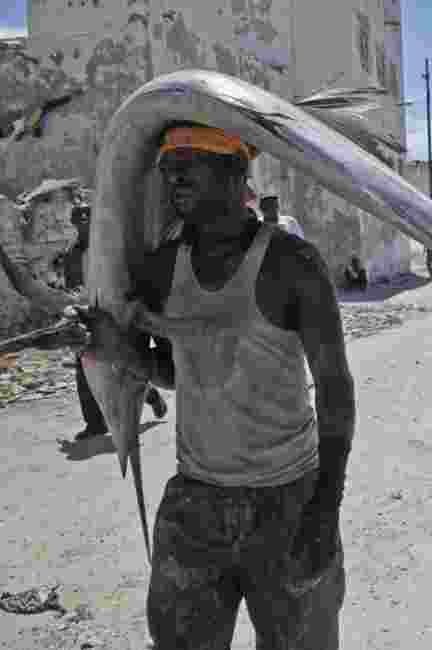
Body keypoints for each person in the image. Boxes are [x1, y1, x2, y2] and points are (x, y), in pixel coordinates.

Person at [85, 123, 353, 648]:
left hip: (289, 501)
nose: (173, 173)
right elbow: (176, 372)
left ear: (235, 171)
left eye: (191, 160)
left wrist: (325, 508)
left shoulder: (291, 266)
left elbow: (336, 388)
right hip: (197, 504)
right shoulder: (164, 269)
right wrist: (115, 349)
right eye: (167, 163)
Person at [61, 206, 166, 441]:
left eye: (88, 216)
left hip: (112, 314)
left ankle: (150, 395)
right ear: (73, 223)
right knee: (84, 367)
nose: (84, 222)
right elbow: (70, 286)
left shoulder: (110, 248)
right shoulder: (71, 254)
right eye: (79, 219)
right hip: (85, 315)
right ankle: (95, 424)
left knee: (123, 366)